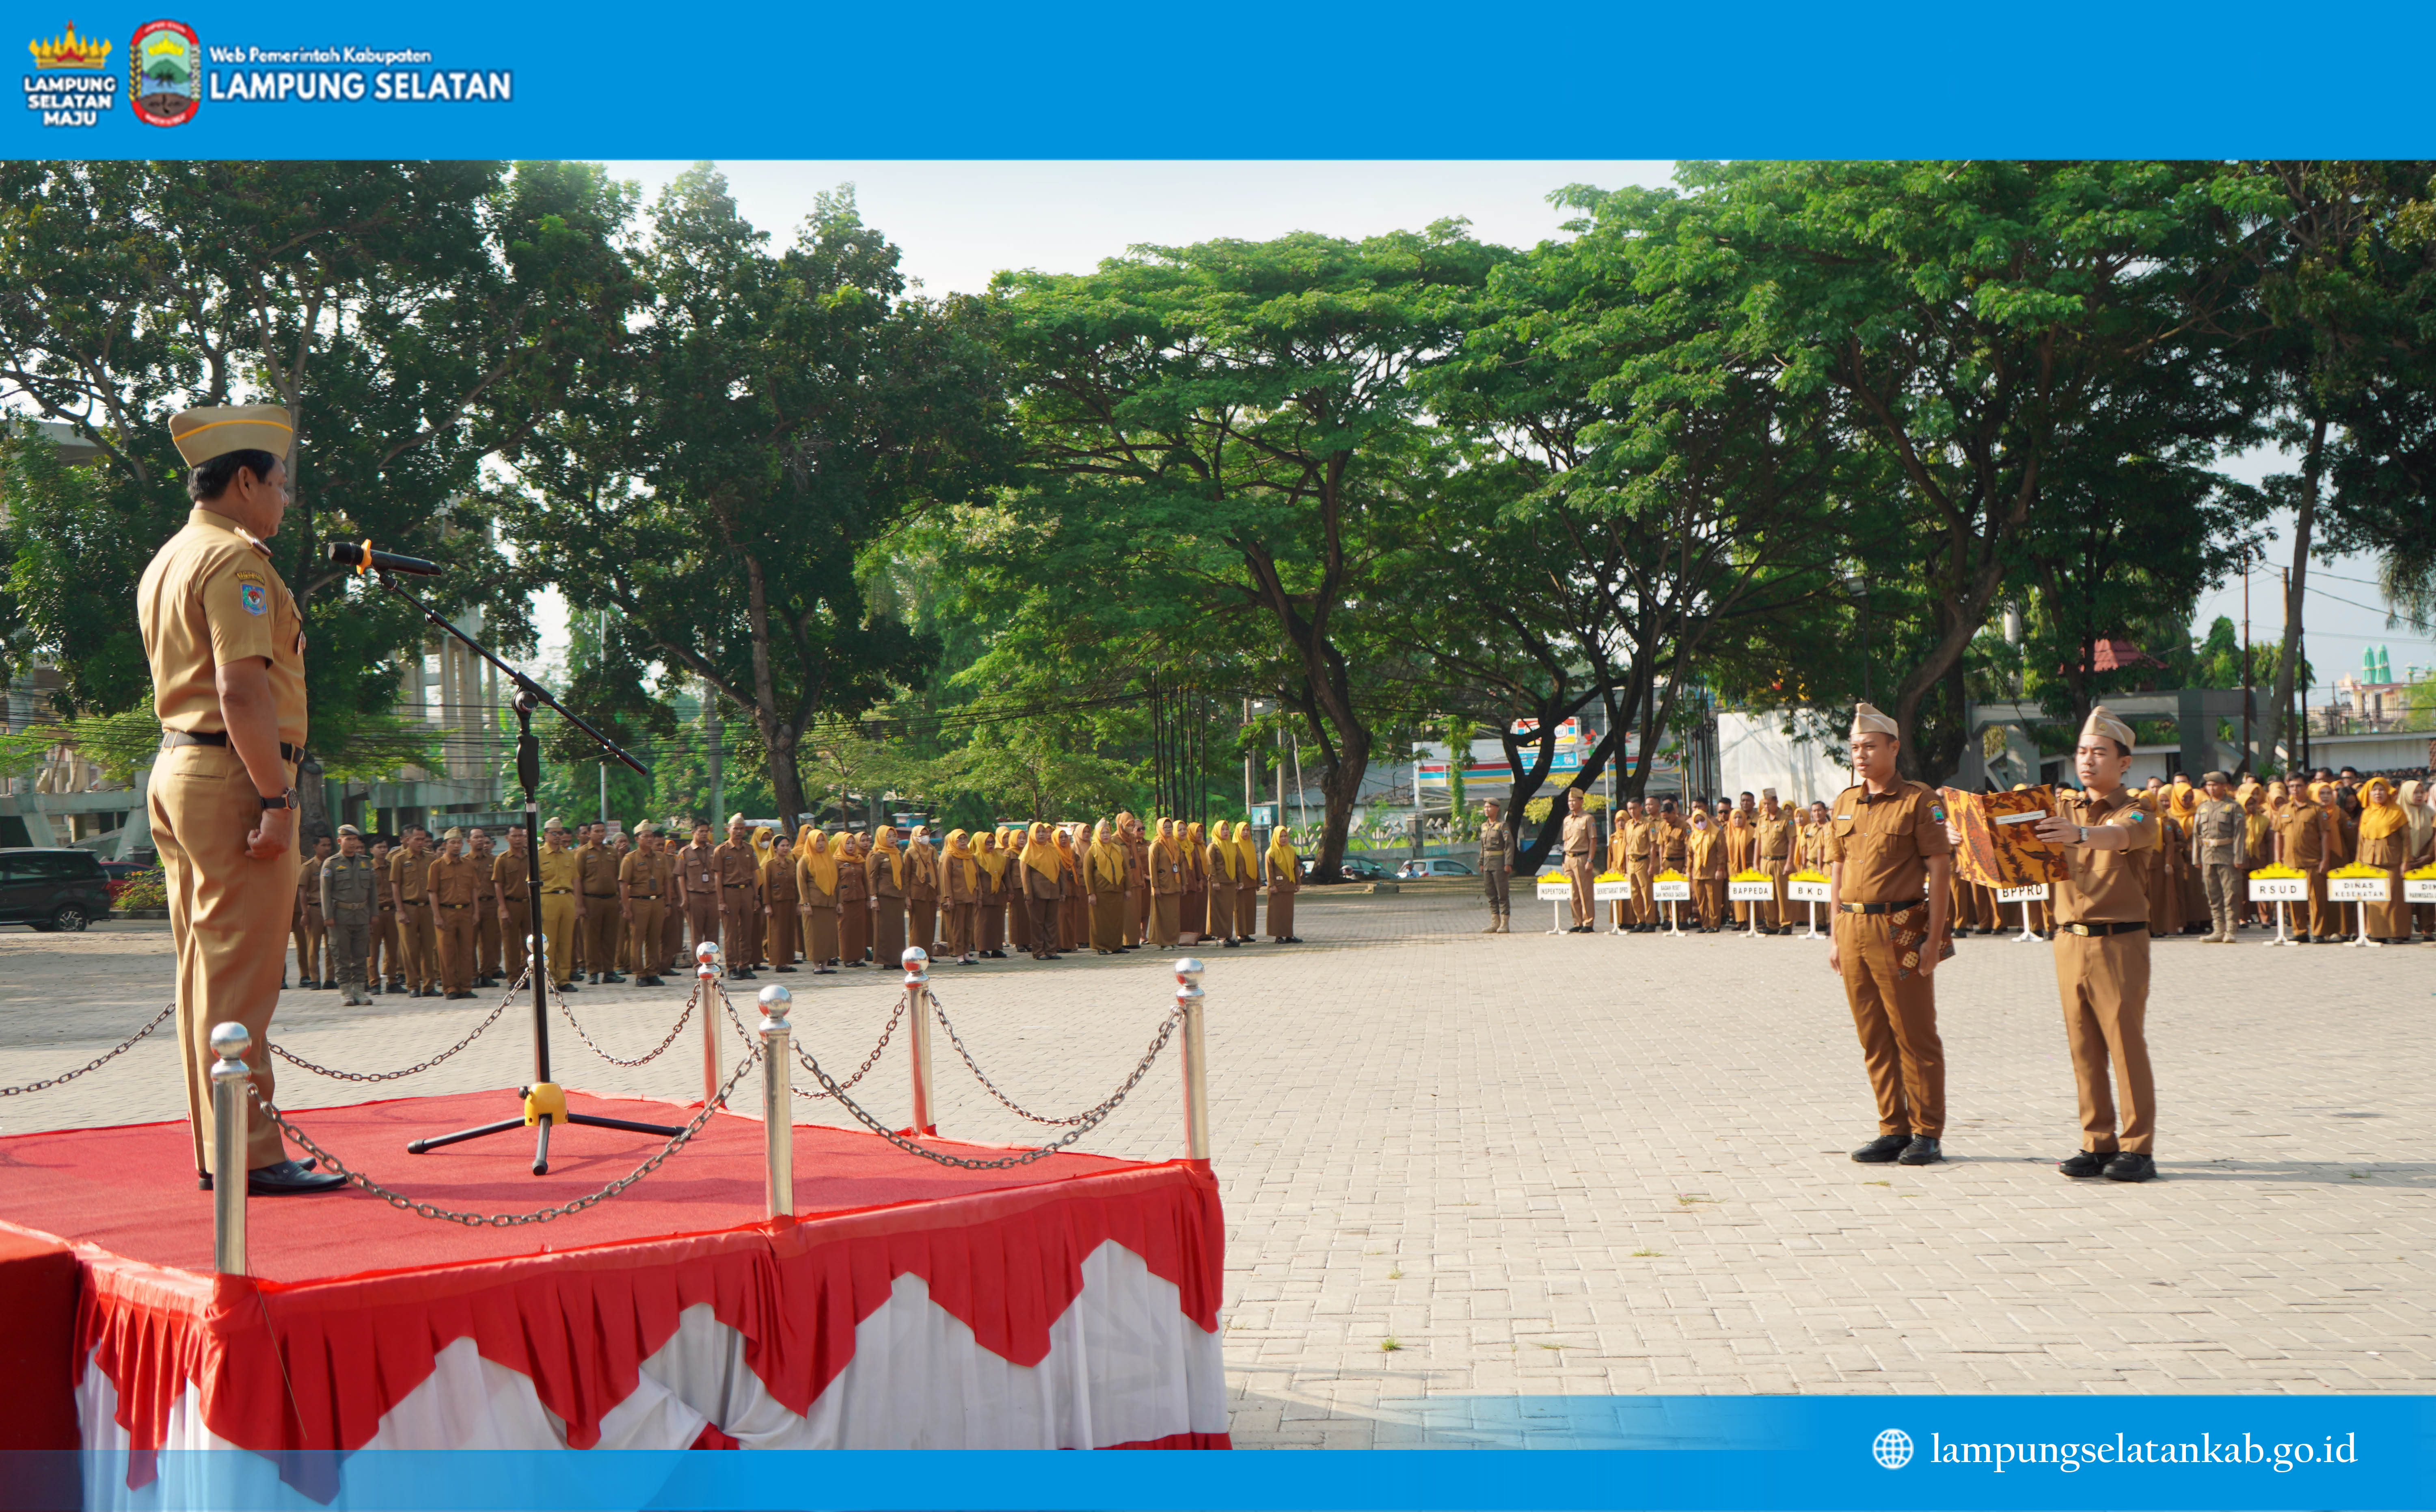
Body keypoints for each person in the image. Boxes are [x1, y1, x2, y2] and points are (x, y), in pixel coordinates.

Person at [139, 403, 341, 1194]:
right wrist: (277, 799)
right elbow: (242, 689)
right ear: (246, 481)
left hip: (181, 769)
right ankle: (250, 1155)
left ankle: (218, 1146)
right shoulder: (236, 562)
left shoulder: (171, 557)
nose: (285, 498)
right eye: (280, 483)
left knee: (205, 972)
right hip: (234, 778)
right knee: (241, 982)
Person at [2027, 706, 2161, 1182]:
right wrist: (1963, 834)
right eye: (2082, 751)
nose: (2087, 760)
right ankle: (2097, 1140)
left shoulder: (2139, 808)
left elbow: (2121, 835)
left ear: (2124, 762)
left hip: (2118, 941)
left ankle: (2138, 1147)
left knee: (2125, 1044)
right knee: (2082, 1046)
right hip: (2069, 940)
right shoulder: (2061, 807)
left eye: (2099, 752)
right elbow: (2011, 836)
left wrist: (2081, 834)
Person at [1824, 703, 1953, 1167]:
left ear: (1894, 747)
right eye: (1855, 747)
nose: (1861, 754)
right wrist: (1834, 934)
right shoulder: (1844, 802)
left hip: (1900, 926)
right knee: (1873, 1035)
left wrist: (1933, 939)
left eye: (1870, 746)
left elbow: (1940, 870)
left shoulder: (1919, 801)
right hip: (1853, 927)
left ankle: (1926, 1131)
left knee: (1914, 1034)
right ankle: (1892, 1127)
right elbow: (1837, 869)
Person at [320, 825, 377, 1007]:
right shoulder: (331, 864)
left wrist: (374, 914)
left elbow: (373, 892)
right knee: (341, 955)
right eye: (348, 840)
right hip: (340, 916)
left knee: (361, 955)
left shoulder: (366, 862)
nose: (352, 843)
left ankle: (360, 990)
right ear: (340, 841)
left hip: (362, 915)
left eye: (355, 840)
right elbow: (325, 893)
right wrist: (328, 916)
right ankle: (346, 991)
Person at [2188, 771, 2246, 943]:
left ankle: (2231, 930)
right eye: (2209, 785)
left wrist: (2239, 857)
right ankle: (2218, 929)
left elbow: (2240, 834)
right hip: (2207, 855)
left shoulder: (2234, 807)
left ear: (2224, 786)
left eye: (2215, 785)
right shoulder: (2203, 807)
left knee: (2231, 893)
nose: (2211, 789)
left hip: (2227, 854)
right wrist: (2196, 857)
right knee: (2212, 893)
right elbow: (2197, 834)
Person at [2274, 780, 2335, 942]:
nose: (2295, 789)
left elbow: (2325, 835)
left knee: (2316, 899)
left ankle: (2318, 932)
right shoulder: (2284, 810)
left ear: (2306, 788)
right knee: (2294, 899)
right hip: (2290, 864)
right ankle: (2300, 932)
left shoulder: (2317, 809)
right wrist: (2277, 861)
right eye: (2292, 786)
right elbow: (2278, 835)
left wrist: (2325, 860)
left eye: (2299, 786)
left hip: (2312, 861)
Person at [428, 827, 484, 999]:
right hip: (446, 912)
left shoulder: (468, 865)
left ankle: (466, 987)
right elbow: (433, 892)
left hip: (466, 912)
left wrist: (476, 912)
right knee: (447, 952)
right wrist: (437, 916)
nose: (457, 846)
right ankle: (451, 987)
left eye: (459, 843)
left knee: (467, 951)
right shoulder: (437, 866)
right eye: (453, 843)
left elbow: (474, 890)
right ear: (446, 845)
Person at [2355, 779, 2412, 943]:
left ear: (2388, 792)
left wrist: (2406, 862)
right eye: (2374, 790)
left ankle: (2396, 934)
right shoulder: (2367, 813)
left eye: (2381, 790)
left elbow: (2406, 840)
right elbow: (2361, 841)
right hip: (2370, 862)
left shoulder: (2397, 812)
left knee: (2393, 899)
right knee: (2373, 898)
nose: (2378, 793)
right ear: (2369, 793)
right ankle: (2376, 933)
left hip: (2392, 862)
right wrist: (2358, 863)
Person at [620, 821, 672, 985]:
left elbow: (667, 882)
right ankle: (640, 974)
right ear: (637, 839)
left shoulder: (661, 857)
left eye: (651, 836)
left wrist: (668, 904)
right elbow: (623, 884)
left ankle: (652, 972)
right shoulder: (630, 858)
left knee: (654, 939)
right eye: (646, 836)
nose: (650, 839)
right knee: (637, 940)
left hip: (658, 902)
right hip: (638, 902)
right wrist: (626, 908)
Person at [389, 826, 438, 998]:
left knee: (429, 948)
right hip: (408, 908)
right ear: (407, 840)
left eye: (423, 839)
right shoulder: (399, 859)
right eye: (417, 839)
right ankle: (413, 985)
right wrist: (400, 911)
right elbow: (396, 887)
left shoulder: (431, 858)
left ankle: (429, 985)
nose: (421, 842)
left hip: (427, 908)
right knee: (410, 950)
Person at [715, 815, 763, 979]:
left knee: (747, 931)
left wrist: (756, 897)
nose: (739, 831)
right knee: (731, 933)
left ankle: (745, 966)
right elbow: (718, 877)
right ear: (728, 829)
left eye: (742, 828)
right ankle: (732, 967)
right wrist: (721, 901)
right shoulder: (721, 850)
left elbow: (754, 874)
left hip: (747, 891)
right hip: (730, 892)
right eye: (736, 828)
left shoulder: (749, 849)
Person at [536, 817, 581, 990]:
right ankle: (550, 979)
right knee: (549, 943)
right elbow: (532, 883)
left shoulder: (569, 854)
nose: (557, 836)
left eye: (560, 833)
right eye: (554, 833)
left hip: (567, 898)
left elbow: (576, 879)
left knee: (566, 942)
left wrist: (577, 904)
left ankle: (564, 979)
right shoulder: (539, 855)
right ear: (546, 835)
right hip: (548, 899)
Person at [492, 826, 531, 986]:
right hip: (510, 904)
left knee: (529, 943)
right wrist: (503, 909)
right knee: (510, 944)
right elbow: (498, 885)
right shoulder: (502, 859)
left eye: (521, 836)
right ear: (507, 838)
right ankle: (514, 978)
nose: (518, 839)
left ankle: (527, 975)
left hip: (528, 905)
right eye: (514, 836)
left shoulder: (531, 857)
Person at [293, 833, 332, 988]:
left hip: (331, 909)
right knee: (313, 946)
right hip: (315, 909)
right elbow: (302, 892)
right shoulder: (308, 867)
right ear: (315, 847)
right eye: (324, 845)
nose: (327, 848)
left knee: (332, 945)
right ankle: (314, 979)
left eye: (329, 845)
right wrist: (305, 913)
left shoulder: (334, 865)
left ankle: (330, 979)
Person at [868, 824, 910, 967]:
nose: (892, 839)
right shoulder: (877, 855)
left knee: (898, 929)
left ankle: (898, 959)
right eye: (888, 837)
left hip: (898, 896)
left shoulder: (898, 854)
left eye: (894, 836)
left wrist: (906, 896)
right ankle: (886, 960)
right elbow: (872, 878)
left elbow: (903, 876)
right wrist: (874, 898)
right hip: (884, 897)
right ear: (881, 838)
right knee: (885, 929)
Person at [1021, 822, 1065, 959]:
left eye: (1044, 832)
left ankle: (1051, 950)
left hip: (1053, 891)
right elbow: (1025, 876)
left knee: (1052, 923)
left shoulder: (1052, 849)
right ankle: (1039, 951)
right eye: (1038, 832)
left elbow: (1060, 871)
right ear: (1032, 834)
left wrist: (1063, 891)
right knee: (1037, 924)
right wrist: (1028, 894)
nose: (1041, 835)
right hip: (1037, 894)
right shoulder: (1028, 852)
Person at [760, 830, 801, 971]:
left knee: (789, 931)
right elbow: (766, 886)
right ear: (775, 848)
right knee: (777, 933)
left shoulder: (792, 864)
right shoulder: (770, 865)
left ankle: (788, 961)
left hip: (790, 901)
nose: (786, 848)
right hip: (776, 903)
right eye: (782, 846)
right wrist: (767, 905)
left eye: (788, 846)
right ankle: (779, 962)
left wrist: (798, 903)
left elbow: (796, 885)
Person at [940, 827, 981, 963]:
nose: (963, 842)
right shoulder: (950, 857)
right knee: (958, 927)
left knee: (969, 927)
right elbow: (946, 879)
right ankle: (959, 955)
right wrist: (949, 898)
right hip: (957, 899)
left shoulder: (971, 857)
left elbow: (977, 877)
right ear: (953, 841)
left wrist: (979, 895)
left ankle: (966, 953)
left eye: (965, 839)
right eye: (960, 839)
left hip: (971, 896)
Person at [1559, 789, 1598, 933]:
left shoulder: (1588, 819)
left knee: (1585, 892)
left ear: (1581, 801)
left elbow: (1593, 840)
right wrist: (1564, 861)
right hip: (1569, 858)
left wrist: (1590, 860)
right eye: (1569, 801)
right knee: (1573, 893)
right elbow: (1565, 841)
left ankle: (1588, 923)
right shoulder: (1567, 820)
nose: (1571, 803)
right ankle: (1577, 922)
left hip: (1582, 857)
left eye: (1574, 800)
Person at [1088, 820, 1129, 953]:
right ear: (1097, 834)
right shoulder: (1092, 851)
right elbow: (1088, 874)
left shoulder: (1117, 849)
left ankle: (1117, 946)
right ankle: (1101, 946)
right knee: (1100, 921)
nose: (1106, 835)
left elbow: (1125, 870)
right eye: (1103, 833)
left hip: (1117, 891)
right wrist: (1091, 893)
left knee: (1117, 920)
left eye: (1108, 832)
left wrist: (1127, 889)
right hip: (1101, 892)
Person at [369, 835, 400, 994]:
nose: (383, 850)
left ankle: (393, 981)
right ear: (371, 850)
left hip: (392, 912)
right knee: (373, 951)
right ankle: (374, 983)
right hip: (375, 913)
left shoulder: (393, 866)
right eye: (379, 848)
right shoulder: (367, 868)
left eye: (385, 847)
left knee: (393, 950)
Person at [1685, 807, 1726, 931]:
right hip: (1697, 873)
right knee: (1701, 900)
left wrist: (1720, 869)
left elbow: (1721, 853)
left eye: (1702, 820)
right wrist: (1689, 870)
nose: (1700, 823)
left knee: (1714, 899)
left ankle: (1714, 925)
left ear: (1707, 819)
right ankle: (1705, 924)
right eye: (1697, 821)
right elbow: (1690, 855)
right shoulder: (1693, 836)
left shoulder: (1716, 833)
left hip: (1712, 871)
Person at [1478, 798, 1513, 933]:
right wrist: (1481, 862)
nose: (1486, 810)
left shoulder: (1502, 826)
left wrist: (1508, 863)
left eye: (1489, 807)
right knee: (1490, 893)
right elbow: (1483, 847)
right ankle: (1495, 922)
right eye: (1485, 807)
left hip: (1499, 862)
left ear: (1496, 809)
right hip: (1487, 863)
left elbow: (1509, 845)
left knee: (1502, 893)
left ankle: (1505, 924)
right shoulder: (1484, 826)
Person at [1205, 821, 1242, 947]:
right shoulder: (1213, 847)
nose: (1226, 832)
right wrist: (1215, 881)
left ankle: (1227, 935)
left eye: (1227, 829)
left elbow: (1237, 865)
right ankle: (1221, 938)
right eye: (1223, 829)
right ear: (1217, 831)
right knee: (1219, 911)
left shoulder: (1232, 846)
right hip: (1219, 884)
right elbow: (1211, 865)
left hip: (1230, 883)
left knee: (1228, 912)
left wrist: (1239, 881)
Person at [839, 830, 872, 966]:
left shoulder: (860, 860)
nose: (851, 846)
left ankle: (859, 957)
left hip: (860, 899)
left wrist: (869, 899)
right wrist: (837, 901)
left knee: (860, 929)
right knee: (847, 930)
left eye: (853, 843)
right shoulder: (837, 861)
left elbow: (866, 881)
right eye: (848, 843)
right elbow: (835, 883)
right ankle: (848, 958)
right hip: (845, 900)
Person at [1149, 817, 1184, 947]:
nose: (1168, 830)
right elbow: (1152, 868)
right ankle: (1164, 942)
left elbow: (1181, 864)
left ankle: (1174, 941)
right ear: (1160, 829)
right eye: (1166, 828)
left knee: (1174, 916)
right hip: (1163, 886)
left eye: (1170, 827)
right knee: (1164, 916)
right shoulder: (1156, 846)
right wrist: (1155, 887)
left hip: (1175, 884)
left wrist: (1184, 883)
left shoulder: (1176, 844)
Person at [1266, 825, 1302, 942]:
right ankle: (1279, 936)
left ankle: (1289, 935)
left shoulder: (1291, 851)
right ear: (1276, 837)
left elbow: (1296, 868)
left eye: (1285, 836)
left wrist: (1298, 883)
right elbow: (1269, 871)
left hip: (1289, 887)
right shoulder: (1271, 852)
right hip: (1277, 888)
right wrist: (1272, 885)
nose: (1283, 839)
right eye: (1281, 836)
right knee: (1277, 913)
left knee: (1288, 913)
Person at [1233, 822, 1261, 943]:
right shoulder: (1235, 846)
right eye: (1243, 830)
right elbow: (1234, 866)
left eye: (1247, 830)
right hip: (1241, 883)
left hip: (1251, 882)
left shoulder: (1251, 845)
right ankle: (1241, 933)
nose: (1246, 833)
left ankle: (1248, 933)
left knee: (1250, 909)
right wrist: (1236, 882)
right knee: (1240, 909)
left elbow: (1256, 864)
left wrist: (1258, 880)